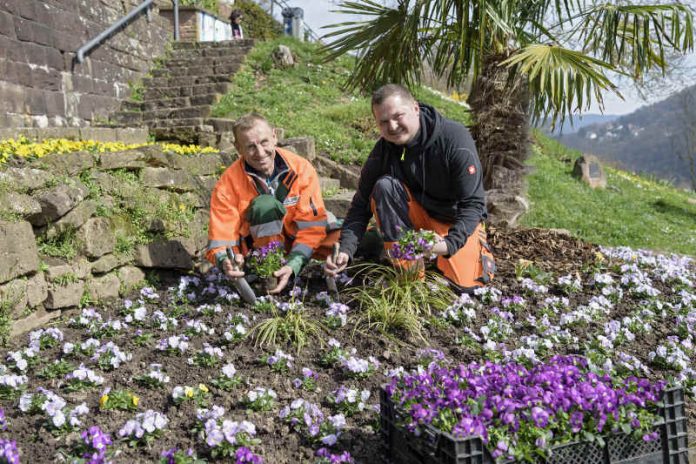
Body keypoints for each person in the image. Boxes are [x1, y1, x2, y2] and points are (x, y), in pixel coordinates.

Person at [324, 84, 495, 290]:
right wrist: (346, 250)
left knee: (464, 288)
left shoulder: (454, 139)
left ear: (415, 108)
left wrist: (448, 244)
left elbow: (474, 205)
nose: (392, 126)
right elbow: (360, 206)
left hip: (453, 221)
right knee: (384, 187)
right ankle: (409, 274)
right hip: (418, 218)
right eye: (384, 122)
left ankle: (460, 255)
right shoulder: (383, 152)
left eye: (398, 116)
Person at [207, 113, 339, 293]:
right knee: (265, 205)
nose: (260, 153)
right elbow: (221, 239)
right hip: (256, 252)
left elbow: (312, 225)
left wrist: (294, 264)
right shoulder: (227, 184)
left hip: (296, 241)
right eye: (251, 147)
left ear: (275, 136)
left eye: (264, 142)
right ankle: (268, 275)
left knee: (351, 240)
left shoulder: (301, 168)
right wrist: (226, 262)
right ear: (238, 148)